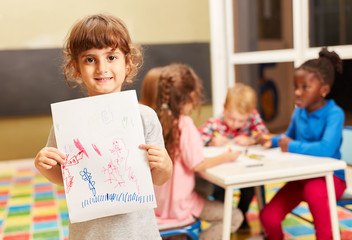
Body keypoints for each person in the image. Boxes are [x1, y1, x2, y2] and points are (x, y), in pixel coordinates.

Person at [34, 14, 173, 240]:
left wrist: (164, 163)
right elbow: (64, 178)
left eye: (111, 57)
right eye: (90, 59)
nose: (101, 68)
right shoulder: (67, 123)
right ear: (76, 68)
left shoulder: (145, 117)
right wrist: (44, 165)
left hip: (139, 234)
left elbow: (159, 178)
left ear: (128, 63)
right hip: (88, 234)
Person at [140, 63, 243, 240]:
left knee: (203, 188)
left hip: (153, 207)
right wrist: (227, 156)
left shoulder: (151, 120)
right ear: (189, 98)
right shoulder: (184, 124)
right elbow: (198, 164)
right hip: (179, 208)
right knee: (235, 216)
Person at [257, 47, 346, 239]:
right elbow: (287, 137)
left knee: (314, 192)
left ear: (323, 90)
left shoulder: (335, 114)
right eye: (295, 86)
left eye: (305, 87)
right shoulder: (299, 112)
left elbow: (326, 148)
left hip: (329, 178)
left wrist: (290, 145)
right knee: (268, 216)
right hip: (301, 177)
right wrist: (267, 141)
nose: (297, 92)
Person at [198, 82, 269, 232]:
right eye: (231, 118)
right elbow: (196, 138)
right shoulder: (216, 122)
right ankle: (227, 218)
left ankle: (241, 216)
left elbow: (264, 135)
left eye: (241, 120)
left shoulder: (253, 118)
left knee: (252, 186)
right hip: (223, 170)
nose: (235, 124)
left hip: (246, 169)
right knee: (219, 190)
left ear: (250, 113)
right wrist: (211, 141)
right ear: (224, 108)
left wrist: (253, 139)